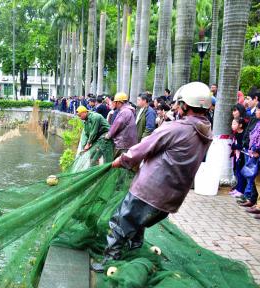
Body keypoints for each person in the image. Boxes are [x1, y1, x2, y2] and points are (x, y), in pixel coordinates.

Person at [91, 82, 213, 272]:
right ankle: (134, 258)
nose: (177, 107)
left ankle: (109, 261)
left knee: (121, 222)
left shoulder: (176, 128)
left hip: (149, 189)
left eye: (179, 104)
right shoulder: (207, 131)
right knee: (138, 224)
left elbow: (144, 147)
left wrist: (122, 160)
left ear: (186, 106)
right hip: (172, 198)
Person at [104, 92, 138, 157]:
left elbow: (117, 125)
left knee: (118, 163)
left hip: (122, 144)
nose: (114, 104)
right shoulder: (129, 110)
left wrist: (108, 135)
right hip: (128, 142)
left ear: (119, 102)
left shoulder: (124, 112)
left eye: (115, 102)